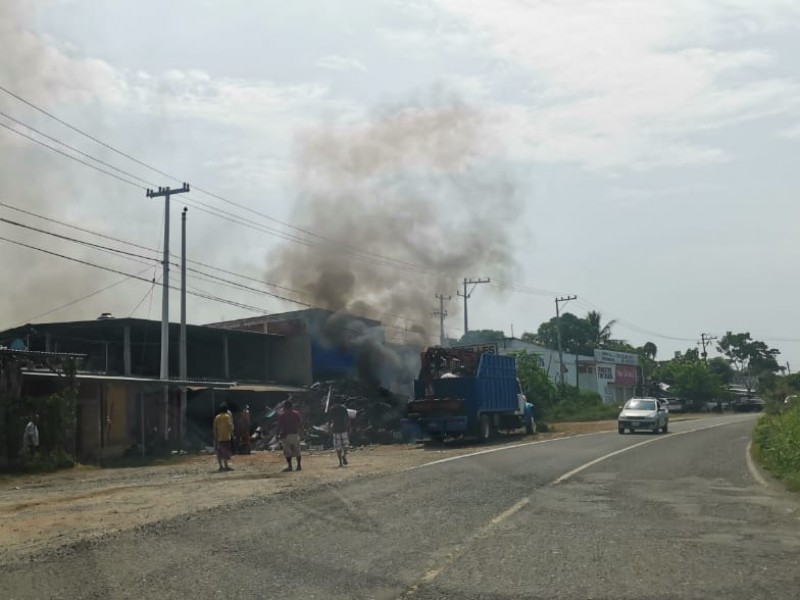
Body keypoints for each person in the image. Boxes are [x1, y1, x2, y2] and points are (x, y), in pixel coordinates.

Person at [277, 398, 303, 472]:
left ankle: (290, 466)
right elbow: (300, 424)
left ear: (285, 407)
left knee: (288, 452)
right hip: (295, 434)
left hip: (286, 435)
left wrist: (277, 435)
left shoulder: (282, 415)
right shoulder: (296, 413)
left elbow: (279, 426)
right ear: (291, 406)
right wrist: (302, 434)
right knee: (297, 450)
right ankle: (299, 465)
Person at [327, 400, 350, 467]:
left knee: (338, 447)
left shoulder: (332, 409)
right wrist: (349, 427)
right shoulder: (343, 408)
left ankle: (340, 462)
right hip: (343, 428)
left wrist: (329, 429)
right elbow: (347, 419)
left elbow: (329, 420)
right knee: (346, 445)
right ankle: (344, 455)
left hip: (336, 429)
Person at [213, 404, 234, 472]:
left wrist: (216, 435)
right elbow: (230, 426)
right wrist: (232, 434)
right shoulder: (227, 416)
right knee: (226, 452)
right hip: (226, 437)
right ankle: (226, 465)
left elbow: (214, 427)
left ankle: (220, 466)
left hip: (219, 438)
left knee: (219, 452)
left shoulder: (217, 417)